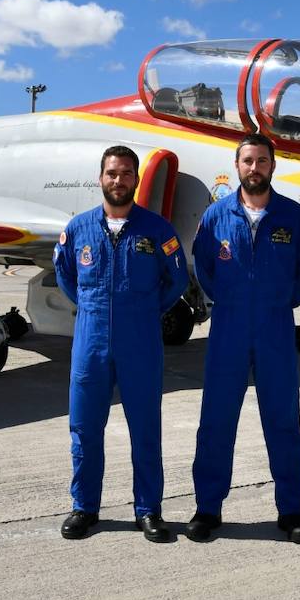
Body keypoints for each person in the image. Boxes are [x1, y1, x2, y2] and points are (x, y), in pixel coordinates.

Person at [188, 133, 300, 543]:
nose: (254, 168)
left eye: (262, 161)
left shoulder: (294, 217)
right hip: (228, 328)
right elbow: (204, 266)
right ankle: (208, 508)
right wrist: (226, 299)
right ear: (238, 165)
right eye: (247, 161)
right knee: (216, 421)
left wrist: (281, 302)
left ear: (272, 166)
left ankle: (291, 510)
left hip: (275, 328)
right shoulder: (215, 216)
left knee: (283, 420)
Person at [54, 145, 188, 542]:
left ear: (136, 180)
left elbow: (177, 279)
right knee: (84, 428)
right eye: (112, 173)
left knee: (145, 429)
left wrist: (145, 310)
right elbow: (65, 276)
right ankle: (85, 507)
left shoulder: (158, 230)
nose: (118, 180)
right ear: (101, 178)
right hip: (90, 343)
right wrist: (94, 307)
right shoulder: (78, 229)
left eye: (127, 173)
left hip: (141, 343)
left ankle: (148, 510)